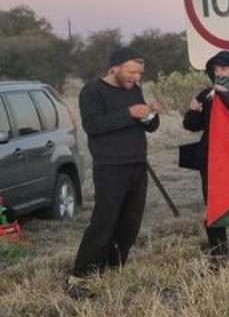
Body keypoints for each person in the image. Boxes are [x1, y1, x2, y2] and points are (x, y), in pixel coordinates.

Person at [67, 47, 161, 292]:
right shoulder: (93, 91)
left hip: (137, 164)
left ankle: (111, 272)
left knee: (130, 223)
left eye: (139, 73)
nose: (137, 77)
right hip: (109, 166)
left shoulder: (135, 90)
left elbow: (148, 127)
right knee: (104, 222)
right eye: (132, 71)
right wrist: (129, 113)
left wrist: (150, 115)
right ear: (115, 67)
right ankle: (79, 276)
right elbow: (93, 125)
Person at [183, 51, 229, 258]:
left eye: (224, 68)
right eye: (216, 69)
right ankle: (218, 254)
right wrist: (193, 111)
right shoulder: (207, 94)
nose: (219, 73)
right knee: (215, 205)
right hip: (211, 157)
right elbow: (191, 125)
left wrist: (228, 97)